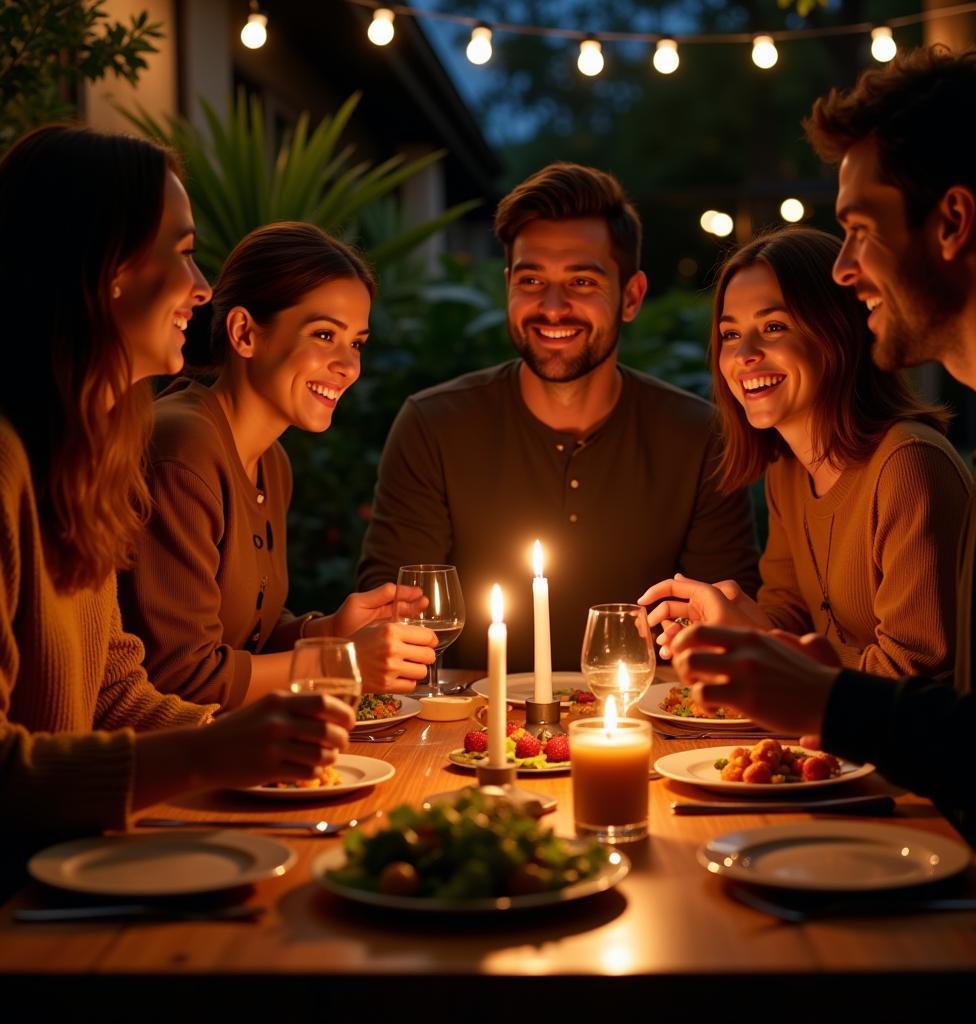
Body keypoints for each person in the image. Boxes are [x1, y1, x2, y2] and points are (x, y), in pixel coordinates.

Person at [670, 48, 976, 897]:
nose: (844, 269)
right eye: (729, 334)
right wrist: (762, 640)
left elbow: (955, 710)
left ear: (951, 223)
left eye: (860, 230)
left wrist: (826, 696)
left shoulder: (922, 458)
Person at [0, 126, 354, 843]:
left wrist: (259, 744)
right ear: (106, 267)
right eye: (185, 254)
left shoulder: (90, 454)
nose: (202, 290)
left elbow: (115, 693)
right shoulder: (10, 466)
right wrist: (210, 749)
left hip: (83, 855)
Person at [358, 162, 760, 671]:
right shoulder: (435, 425)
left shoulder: (698, 436)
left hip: (648, 729)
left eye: (582, 281)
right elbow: (393, 626)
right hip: (472, 732)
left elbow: (724, 628)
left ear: (631, 297)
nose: (552, 307)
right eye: (531, 279)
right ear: (507, 286)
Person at [119, 223, 436, 711]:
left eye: (356, 343)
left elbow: (246, 642)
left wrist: (329, 632)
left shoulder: (271, 462)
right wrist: (341, 661)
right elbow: (181, 676)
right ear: (245, 333)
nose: (348, 366)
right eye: (325, 334)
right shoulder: (184, 448)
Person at [639, 227, 970, 678]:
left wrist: (756, 645)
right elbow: (787, 617)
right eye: (731, 334)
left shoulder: (908, 464)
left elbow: (916, 676)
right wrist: (722, 628)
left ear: (838, 333)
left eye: (774, 327)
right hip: (831, 736)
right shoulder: (787, 469)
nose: (745, 355)